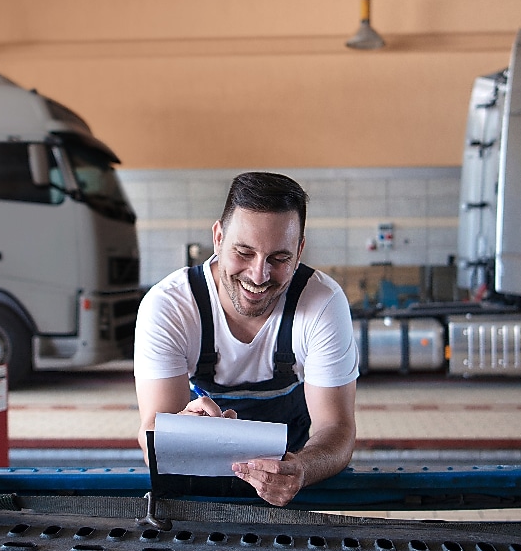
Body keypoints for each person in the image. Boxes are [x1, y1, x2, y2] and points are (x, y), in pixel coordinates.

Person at [134, 172, 358, 506]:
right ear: (218, 237)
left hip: (291, 485)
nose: (258, 275)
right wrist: (180, 430)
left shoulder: (322, 303)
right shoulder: (169, 306)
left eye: (279, 258)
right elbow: (152, 432)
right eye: (244, 252)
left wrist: (302, 469)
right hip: (197, 488)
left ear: (299, 251)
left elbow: (337, 429)